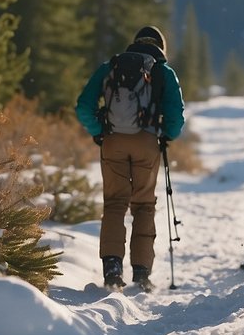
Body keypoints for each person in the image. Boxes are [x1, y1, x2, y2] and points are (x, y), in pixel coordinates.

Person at [75, 25, 185, 290]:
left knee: (114, 204)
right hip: (147, 142)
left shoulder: (110, 67)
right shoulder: (163, 72)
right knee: (144, 205)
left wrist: (99, 130)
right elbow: (176, 116)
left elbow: (83, 106)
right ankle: (141, 273)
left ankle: (112, 268)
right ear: (160, 47)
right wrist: (166, 135)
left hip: (113, 141)